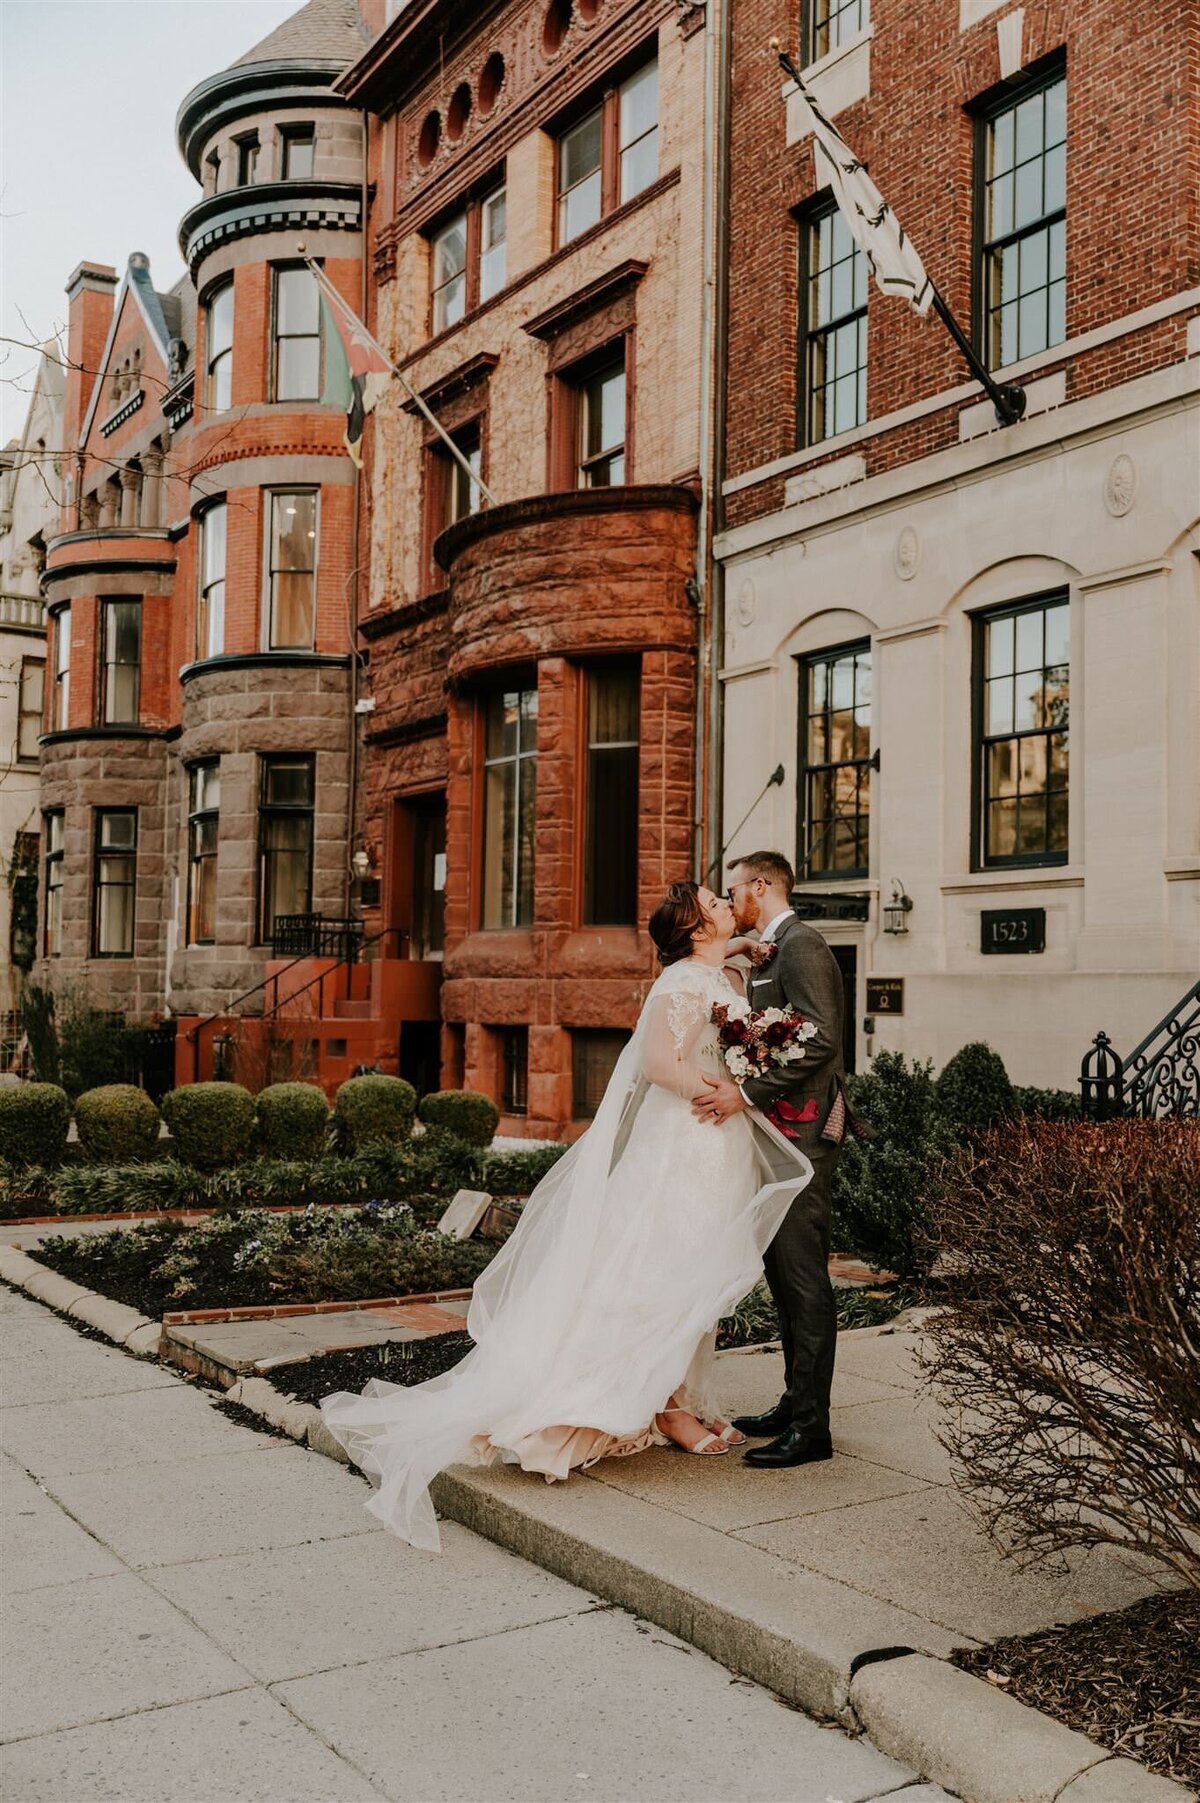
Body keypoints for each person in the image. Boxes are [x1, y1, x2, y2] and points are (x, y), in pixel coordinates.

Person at [319, 881, 812, 1551]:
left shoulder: (714, 970)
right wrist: (723, 1092)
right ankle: (666, 1407)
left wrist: (743, 967)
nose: (726, 899)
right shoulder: (679, 983)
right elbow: (660, 1063)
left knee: (695, 1276)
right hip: (682, 1146)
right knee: (661, 1273)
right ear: (696, 929)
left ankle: (677, 1397)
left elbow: (724, 1004)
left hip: (713, 1147)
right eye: (713, 900)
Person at [698, 850, 863, 1470]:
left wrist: (745, 1092)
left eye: (734, 889)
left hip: (804, 1132)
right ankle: (795, 1404)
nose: (731, 899)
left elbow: (820, 1035)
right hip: (777, 1132)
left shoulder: (803, 944)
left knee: (802, 1276)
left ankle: (811, 1429)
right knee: (780, 1272)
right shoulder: (771, 948)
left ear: (759, 886)